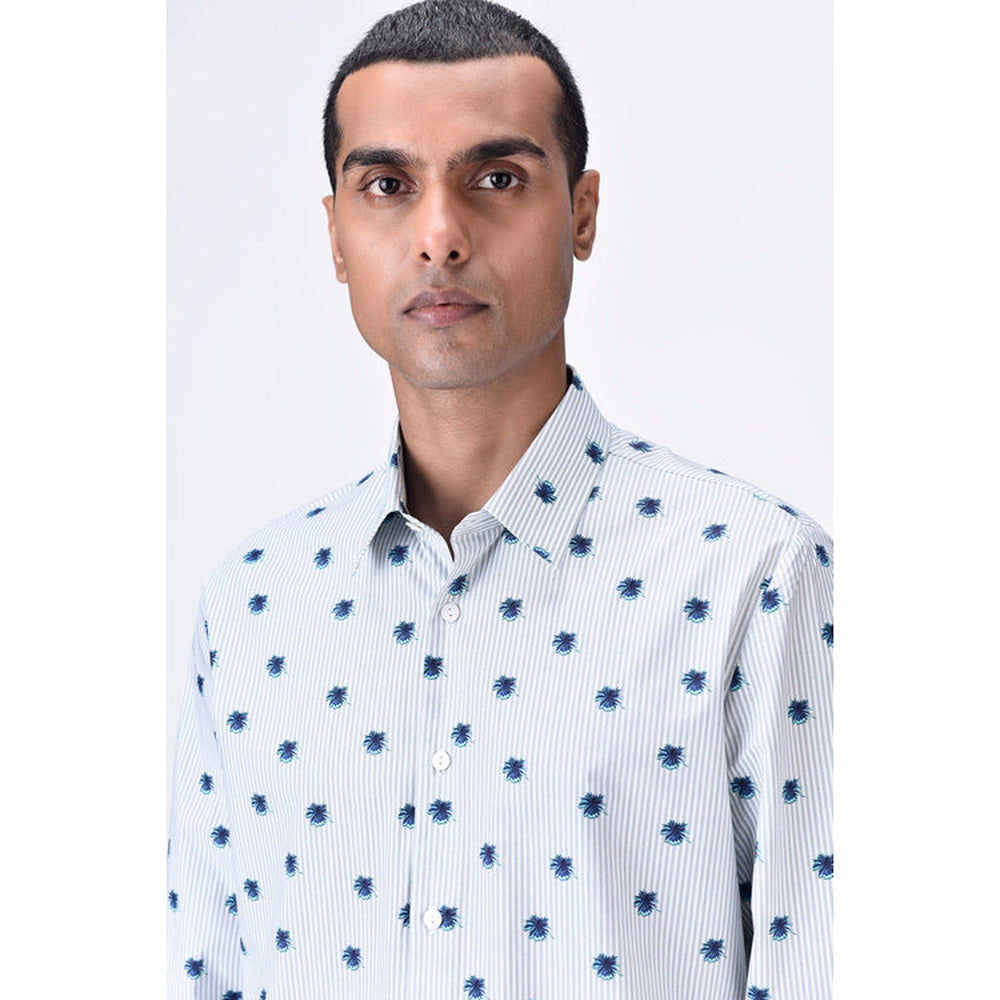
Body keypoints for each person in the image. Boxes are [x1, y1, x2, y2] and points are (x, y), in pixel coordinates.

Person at [166, 2, 833, 997]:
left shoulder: (754, 577)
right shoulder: (253, 605)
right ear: (336, 234)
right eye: (387, 185)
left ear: (582, 213)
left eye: (496, 179)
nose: (440, 236)